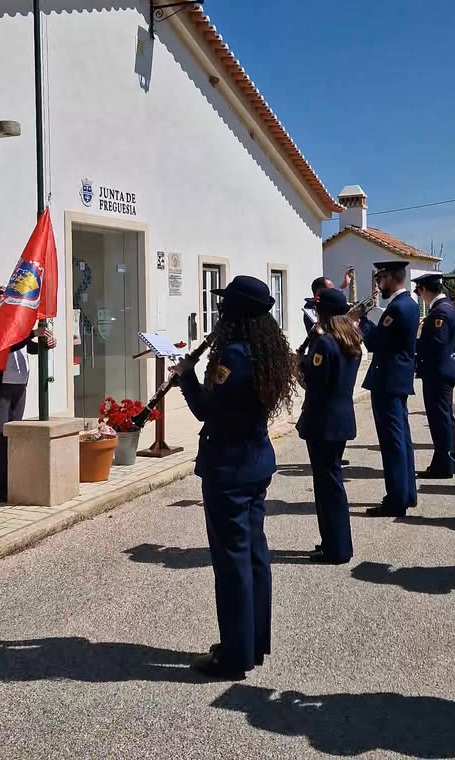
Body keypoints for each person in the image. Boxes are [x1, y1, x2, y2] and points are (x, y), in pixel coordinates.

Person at [171, 275, 294, 680]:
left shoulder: (236, 356)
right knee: (254, 554)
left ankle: (235, 655)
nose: (219, 312)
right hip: (253, 461)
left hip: (230, 466)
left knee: (233, 562)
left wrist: (186, 376)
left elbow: (208, 409)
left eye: (225, 307)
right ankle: (253, 641)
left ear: (235, 313)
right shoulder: (265, 350)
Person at [296, 288, 361, 564]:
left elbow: (315, 384)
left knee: (328, 486)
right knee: (330, 483)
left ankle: (337, 548)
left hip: (323, 421)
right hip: (341, 418)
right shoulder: (351, 339)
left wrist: (298, 368)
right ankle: (334, 542)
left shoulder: (324, 344)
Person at [0, 286, 56, 502]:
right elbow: (1, 346)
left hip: (18, 385)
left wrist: (45, 343)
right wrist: (30, 333)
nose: (4, 293)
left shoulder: (16, 326)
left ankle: (9, 484)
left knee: (12, 438)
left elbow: (27, 347)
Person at [358, 261, 420, 517]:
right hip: (396, 379)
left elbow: (374, 342)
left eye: (380, 278)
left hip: (388, 381)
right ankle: (407, 492)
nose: (378, 284)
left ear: (392, 278)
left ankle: (396, 499)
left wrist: (361, 320)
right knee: (402, 439)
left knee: (392, 442)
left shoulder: (399, 307)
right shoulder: (408, 304)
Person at [414, 273, 455, 479]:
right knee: (445, 419)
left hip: (438, 372)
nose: (419, 295)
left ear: (424, 290)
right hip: (446, 369)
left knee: (440, 420)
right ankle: (448, 462)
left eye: (418, 291)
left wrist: (416, 351)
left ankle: (443, 465)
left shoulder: (440, 312)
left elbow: (436, 344)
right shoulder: (448, 308)